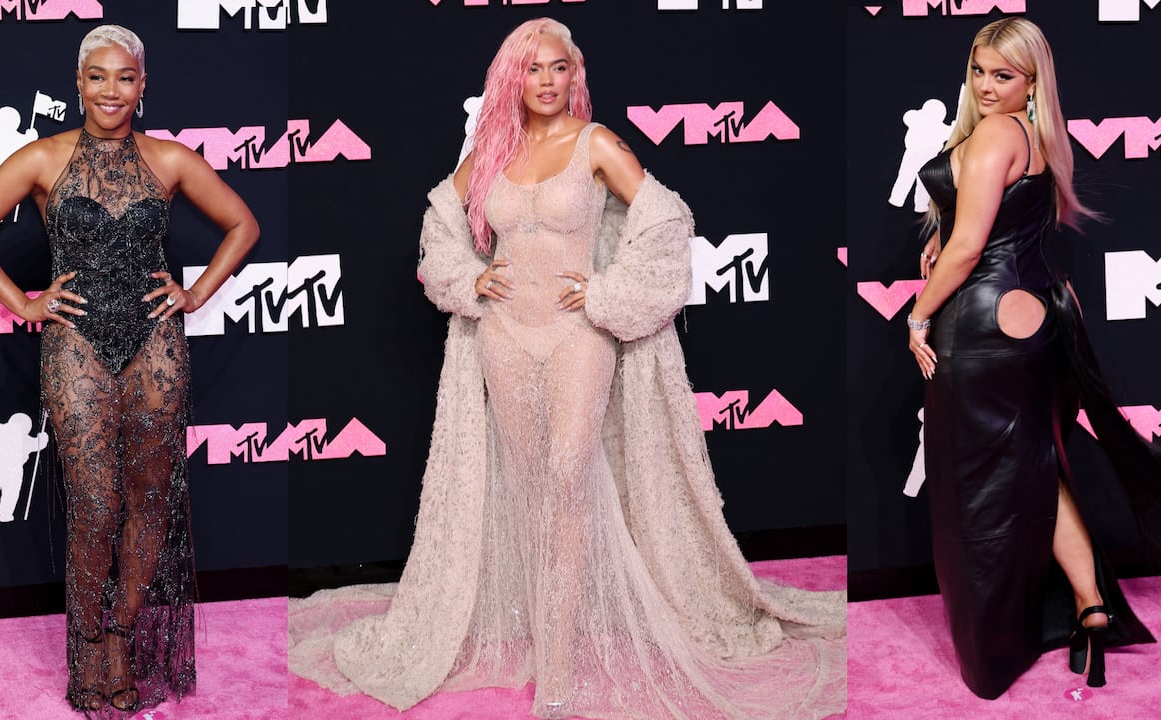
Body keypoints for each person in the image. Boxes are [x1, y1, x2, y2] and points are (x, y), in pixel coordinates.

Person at [288, 17, 845, 720]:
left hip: (579, 332)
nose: (547, 81)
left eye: (559, 68)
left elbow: (668, 223)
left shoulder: (597, 143)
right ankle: (541, 627)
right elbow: (437, 220)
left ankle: (557, 663)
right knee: (528, 485)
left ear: (573, 75)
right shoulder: (491, 150)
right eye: (533, 69)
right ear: (511, 77)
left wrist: (609, 294)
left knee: (568, 473)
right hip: (505, 334)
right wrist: (468, 278)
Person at [0, 25, 258, 717]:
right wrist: (23, 302)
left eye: (125, 78)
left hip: (157, 346)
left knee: (149, 503)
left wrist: (193, 294)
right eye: (97, 77)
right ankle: (88, 648)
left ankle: (120, 636)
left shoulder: (171, 160)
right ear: (78, 84)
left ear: (143, 88)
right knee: (95, 507)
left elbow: (243, 224)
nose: (111, 90)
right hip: (74, 346)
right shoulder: (43, 158)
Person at [907, 17, 1161, 699]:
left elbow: (968, 250)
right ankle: (1091, 607)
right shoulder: (1035, 137)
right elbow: (996, 227)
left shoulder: (993, 134)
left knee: (980, 496)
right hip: (1035, 315)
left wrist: (919, 312)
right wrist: (944, 236)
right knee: (1039, 471)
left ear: (1032, 80)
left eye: (1004, 76)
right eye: (980, 70)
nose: (987, 87)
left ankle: (993, 656)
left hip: (984, 328)